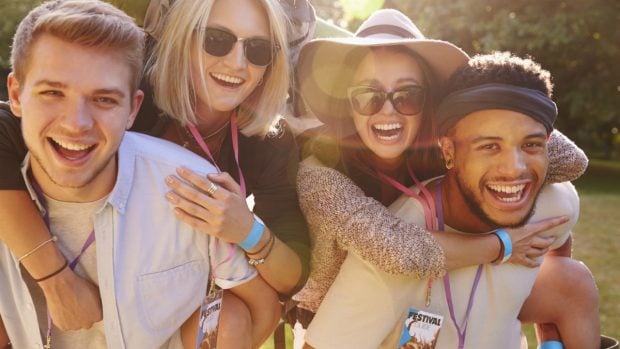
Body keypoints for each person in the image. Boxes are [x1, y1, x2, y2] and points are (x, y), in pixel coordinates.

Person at [0, 0, 311, 343]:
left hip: (174, 290)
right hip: (85, 258)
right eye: (216, 40)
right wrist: (55, 278)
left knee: (229, 315)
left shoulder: (268, 140)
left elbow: (293, 275)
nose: (237, 64)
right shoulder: (124, 93)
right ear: (183, 37)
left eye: (258, 49)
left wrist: (246, 230)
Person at [292, 8, 591, 348]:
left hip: (436, 290)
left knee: (573, 281)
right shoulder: (321, 173)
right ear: (349, 103)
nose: (387, 110)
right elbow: (399, 252)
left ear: (430, 101)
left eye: (408, 96)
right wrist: (504, 245)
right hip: (344, 322)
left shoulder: (444, 148)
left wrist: (495, 104)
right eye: (368, 96)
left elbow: (569, 161)